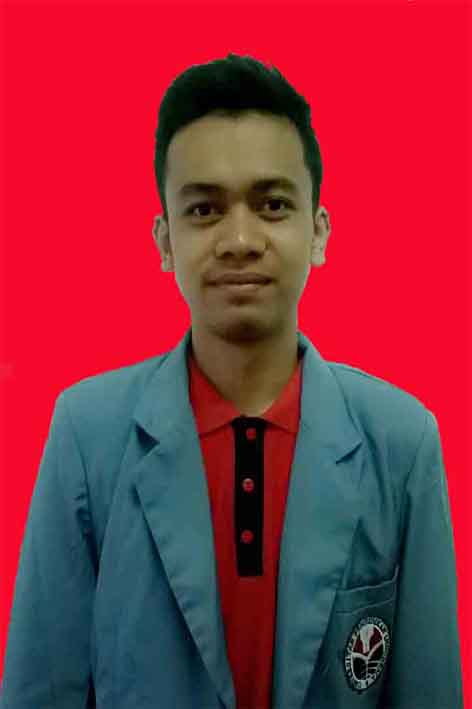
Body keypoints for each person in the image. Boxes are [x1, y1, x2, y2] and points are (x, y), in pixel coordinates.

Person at [0, 53, 463, 709]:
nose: (240, 239)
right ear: (164, 240)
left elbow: (429, 689)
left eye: (272, 204)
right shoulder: (89, 435)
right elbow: (41, 687)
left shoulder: (401, 442)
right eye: (204, 209)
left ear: (318, 230)